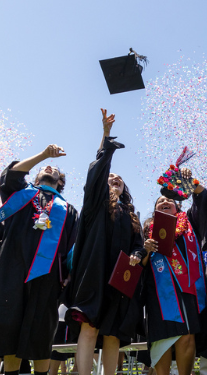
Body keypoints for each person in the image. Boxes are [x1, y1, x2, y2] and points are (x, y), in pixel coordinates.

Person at [0, 143, 79, 375]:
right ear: (35, 177)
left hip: (47, 277)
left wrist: (69, 276)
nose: (50, 168)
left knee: (40, 332)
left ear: (61, 182)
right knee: (9, 329)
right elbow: (12, 174)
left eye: (56, 169)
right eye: (45, 167)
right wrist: (43, 154)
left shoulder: (68, 209)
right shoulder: (20, 195)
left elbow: (72, 248)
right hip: (11, 270)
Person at [67, 108, 144, 375]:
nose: (115, 180)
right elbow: (96, 175)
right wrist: (106, 137)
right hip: (95, 271)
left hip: (120, 276)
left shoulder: (132, 215)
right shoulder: (95, 204)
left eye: (120, 180)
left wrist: (137, 253)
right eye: (111, 178)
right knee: (90, 327)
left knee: (112, 333)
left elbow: (139, 242)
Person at [130, 170, 207, 375]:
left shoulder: (190, 223)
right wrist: (146, 250)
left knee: (186, 336)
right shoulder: (147, 229)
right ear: (154, 210)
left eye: (169, 200)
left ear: (177, 205)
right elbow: (138, 263)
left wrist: (190, 183)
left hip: (187, 292)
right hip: (158, 295)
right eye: (159, 201)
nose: (164, 201)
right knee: (162, 339)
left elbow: (206, 206)